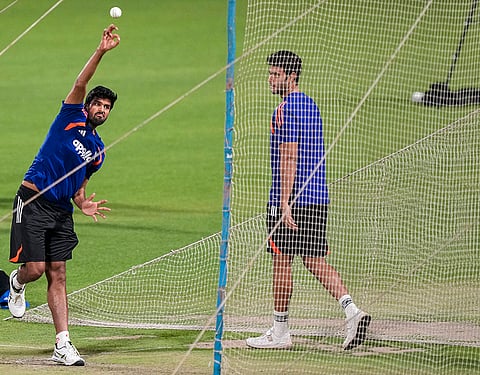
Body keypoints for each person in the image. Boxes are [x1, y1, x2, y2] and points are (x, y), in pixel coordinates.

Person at [7, 24, 120, 366]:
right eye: (97, 104)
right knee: (36, 269)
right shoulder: (70, 116)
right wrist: (100, 51)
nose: (101, 109)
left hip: (60, 211)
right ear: (86, 106)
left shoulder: (98, 151)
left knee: (59, 272)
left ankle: (63, 343)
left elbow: (79, 186)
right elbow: (80, 83)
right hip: (33, 200)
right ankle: (16, 280)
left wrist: (83, 202)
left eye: (106, 107)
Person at [246, 50, 371, 350]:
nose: (270, 79)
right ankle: (352, 311)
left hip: (291, 201)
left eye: (276, 74)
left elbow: (289, 155)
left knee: (281, 261)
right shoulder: (311, 105)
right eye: (271, 73)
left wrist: (285, 202)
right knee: (314, 258)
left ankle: (280, 331)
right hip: (318, 197)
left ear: (291, 76)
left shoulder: (285, 109)